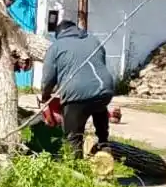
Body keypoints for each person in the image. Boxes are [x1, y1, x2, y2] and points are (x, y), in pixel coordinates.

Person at [40, 19, 115, 159]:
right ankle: (104, 143)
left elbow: (48, 79)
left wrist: (45, 97)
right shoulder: (93, 40)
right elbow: (101, 62)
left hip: (76, 94)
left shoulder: (56, 47)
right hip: (105, 88)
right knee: (98, 105)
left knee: (72, 136)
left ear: (59, 34)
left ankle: (75, 169)